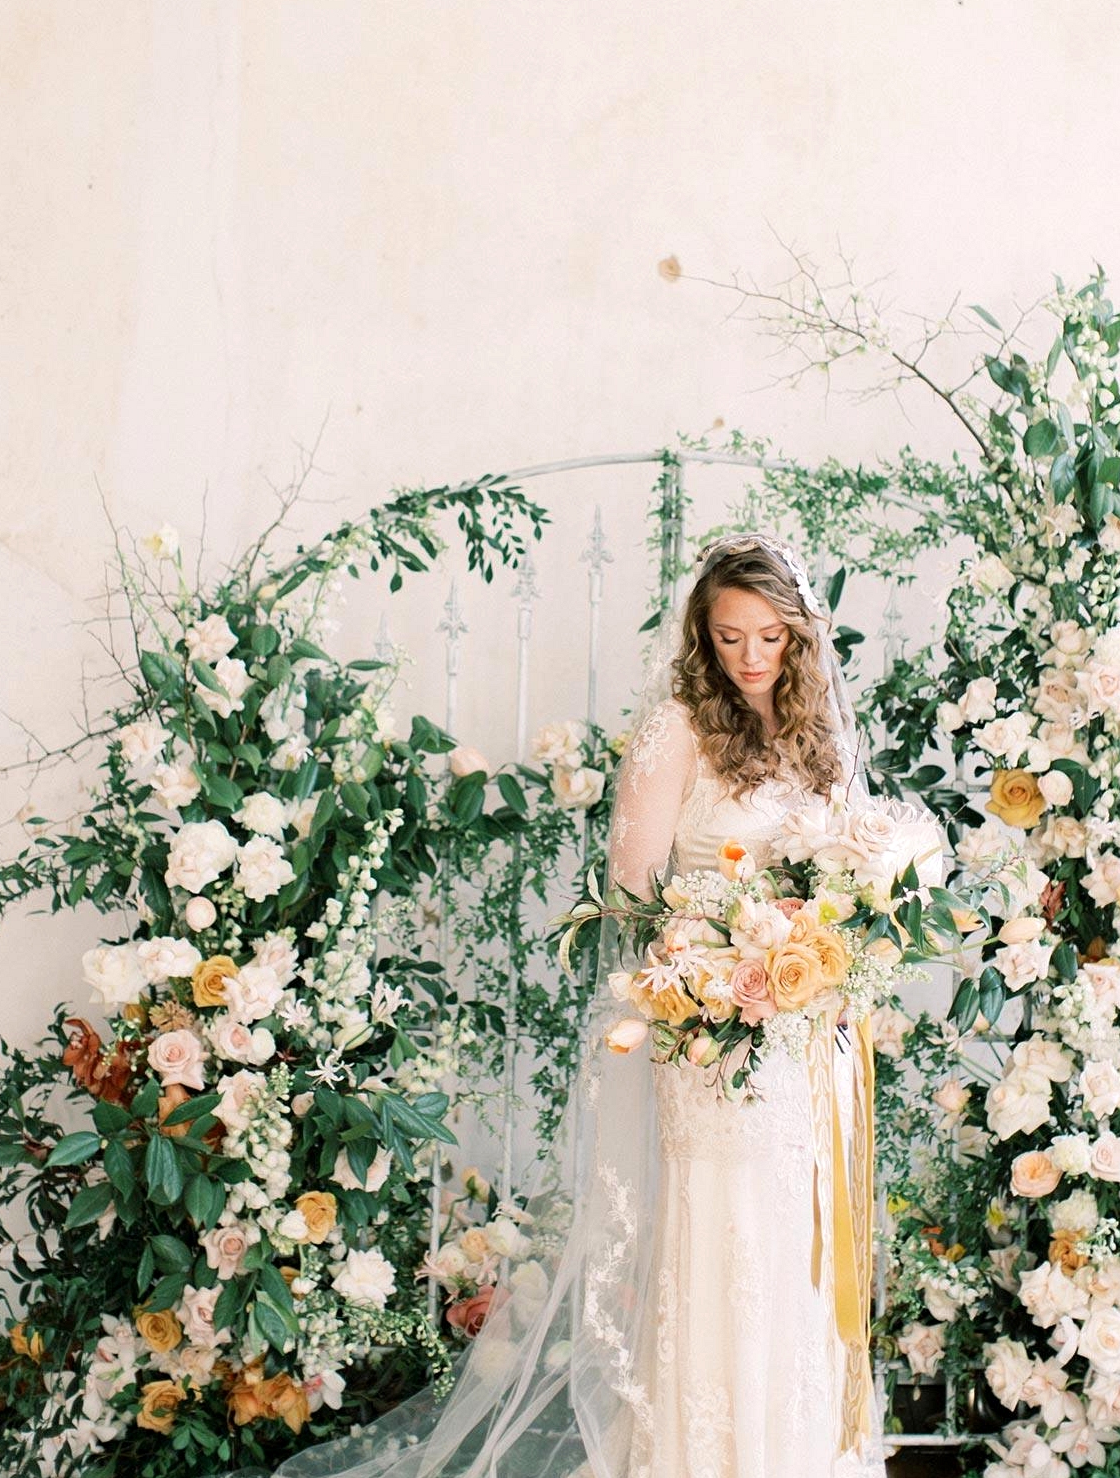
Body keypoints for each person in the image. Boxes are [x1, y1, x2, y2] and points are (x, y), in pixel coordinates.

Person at [270, 531, 887, 1478]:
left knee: (793, 1263)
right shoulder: (679, 728)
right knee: (723, 1254)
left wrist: (829, 955)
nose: (751, 659)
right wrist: (718, 969)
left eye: (770, 637)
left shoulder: (820, 738)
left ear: (801, 637)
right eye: (730, 638)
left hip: (803, 1049)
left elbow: (851, 881)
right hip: (712, 1043)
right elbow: (634, 897)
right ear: (702, 634)